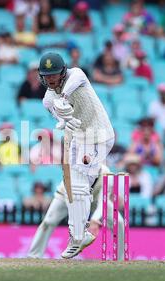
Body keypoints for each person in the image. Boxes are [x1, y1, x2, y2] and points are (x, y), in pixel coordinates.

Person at [38, 51, 115, 259]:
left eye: (54, 74)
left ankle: (80, 235)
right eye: (47, 76)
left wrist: (63, 99)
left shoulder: (77, 75)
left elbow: (76, 80)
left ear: (63, 71)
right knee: (71, 182)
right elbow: (61, 117)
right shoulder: (47, 99)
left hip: (99, 135)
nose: (51, 79)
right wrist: (62, 115)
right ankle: (78, 234)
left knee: (81, 179)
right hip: (80, 139)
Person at [27, 165, 126, 260]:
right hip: (67, 196)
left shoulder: (106, 174)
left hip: (95, 200)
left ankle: (120, 259)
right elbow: (70, 200)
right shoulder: (74, 172)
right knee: (48, 222)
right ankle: (34, 256)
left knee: (119, 222)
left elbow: (102, 201)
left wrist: (94, 220)